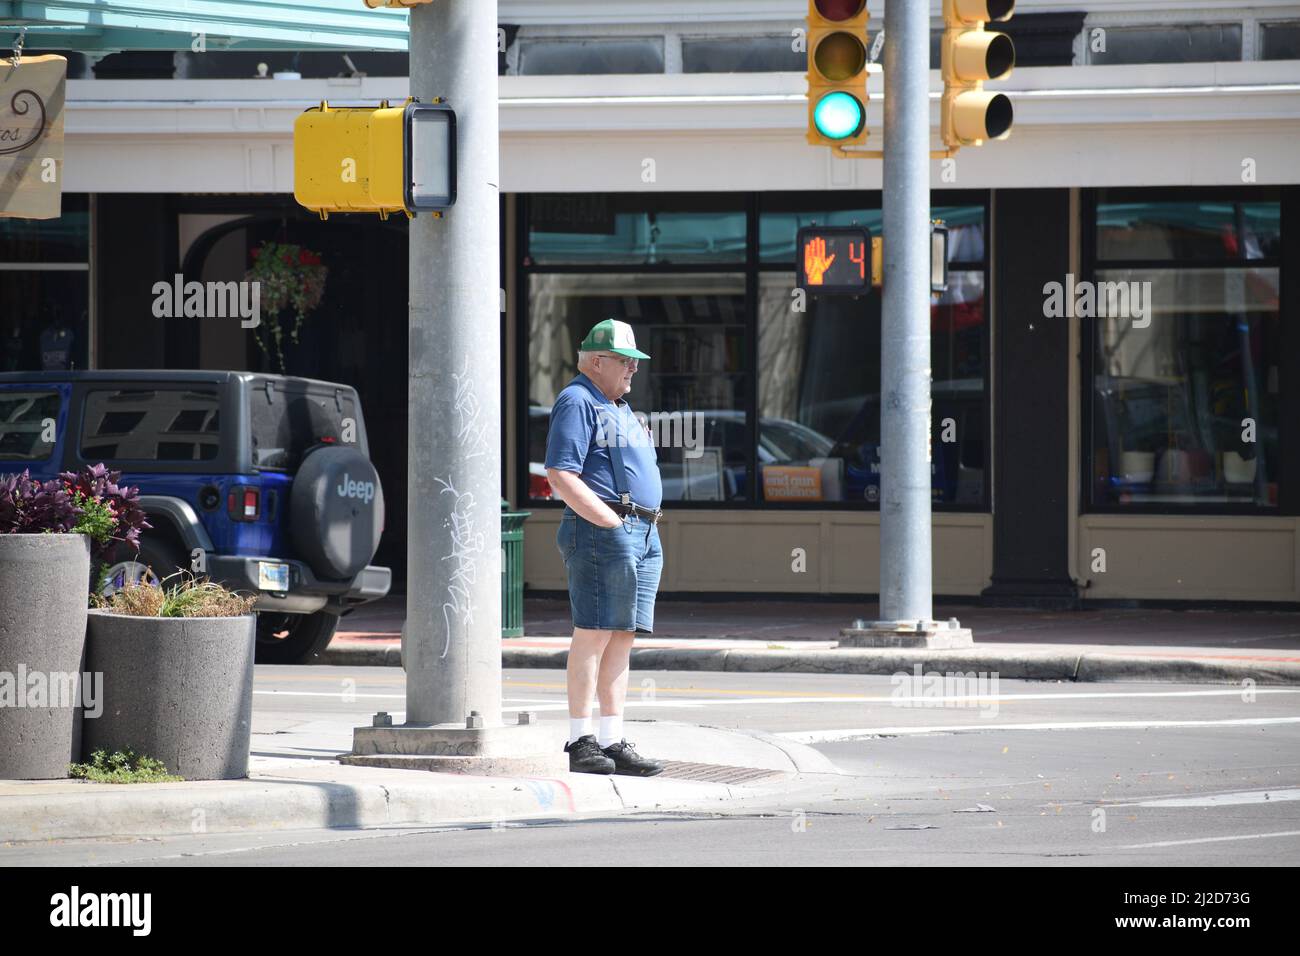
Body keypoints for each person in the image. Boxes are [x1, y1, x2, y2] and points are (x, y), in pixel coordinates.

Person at [544, 319, 665, 776]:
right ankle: (581, 740)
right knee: (594, 632)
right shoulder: (578, 400)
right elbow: (561, 474)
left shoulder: (616, 405)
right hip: (606, 530)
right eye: (625, 361)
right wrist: (611, 522)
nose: (633, 369)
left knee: (622, 636)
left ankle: (612, 741)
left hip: (641, 532)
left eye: (635, 361)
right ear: (596, 361)